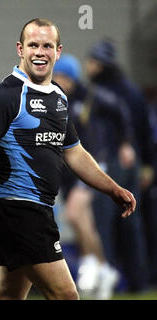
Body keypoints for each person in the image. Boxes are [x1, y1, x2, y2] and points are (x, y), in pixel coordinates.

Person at [0, 18, 136, 300]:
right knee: (66, 295)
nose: (40, 52)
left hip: (37, 210)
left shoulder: (58, 97)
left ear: (58, 51)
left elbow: (74, 152)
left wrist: (112, 188)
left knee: (7, 297)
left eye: (47, 46)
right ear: (20, 50)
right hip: (19, 211)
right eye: (33, 45)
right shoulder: (5, 97)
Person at [53, 54, 134, 299]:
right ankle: (103, 266)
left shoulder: (89, 96)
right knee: (81, 219)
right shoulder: (54, 98)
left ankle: (92, 262)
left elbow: (120, 111)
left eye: (60, 75)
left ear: (69, 76)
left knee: (74, 213)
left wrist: (125, 142)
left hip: (92, 163)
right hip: (68, 169)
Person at [84, 39, 152, 293]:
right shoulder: (132, 90)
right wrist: (146, 164)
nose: (88, 66)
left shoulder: (102, 92)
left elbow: (132, 127)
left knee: (105, 222)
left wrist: (125, 145)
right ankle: (138, 281)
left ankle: (108, 279)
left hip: (112, 163)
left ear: (100, 64)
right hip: (132, 163)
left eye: (91, 61)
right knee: (132, 223)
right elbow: (146, 131)